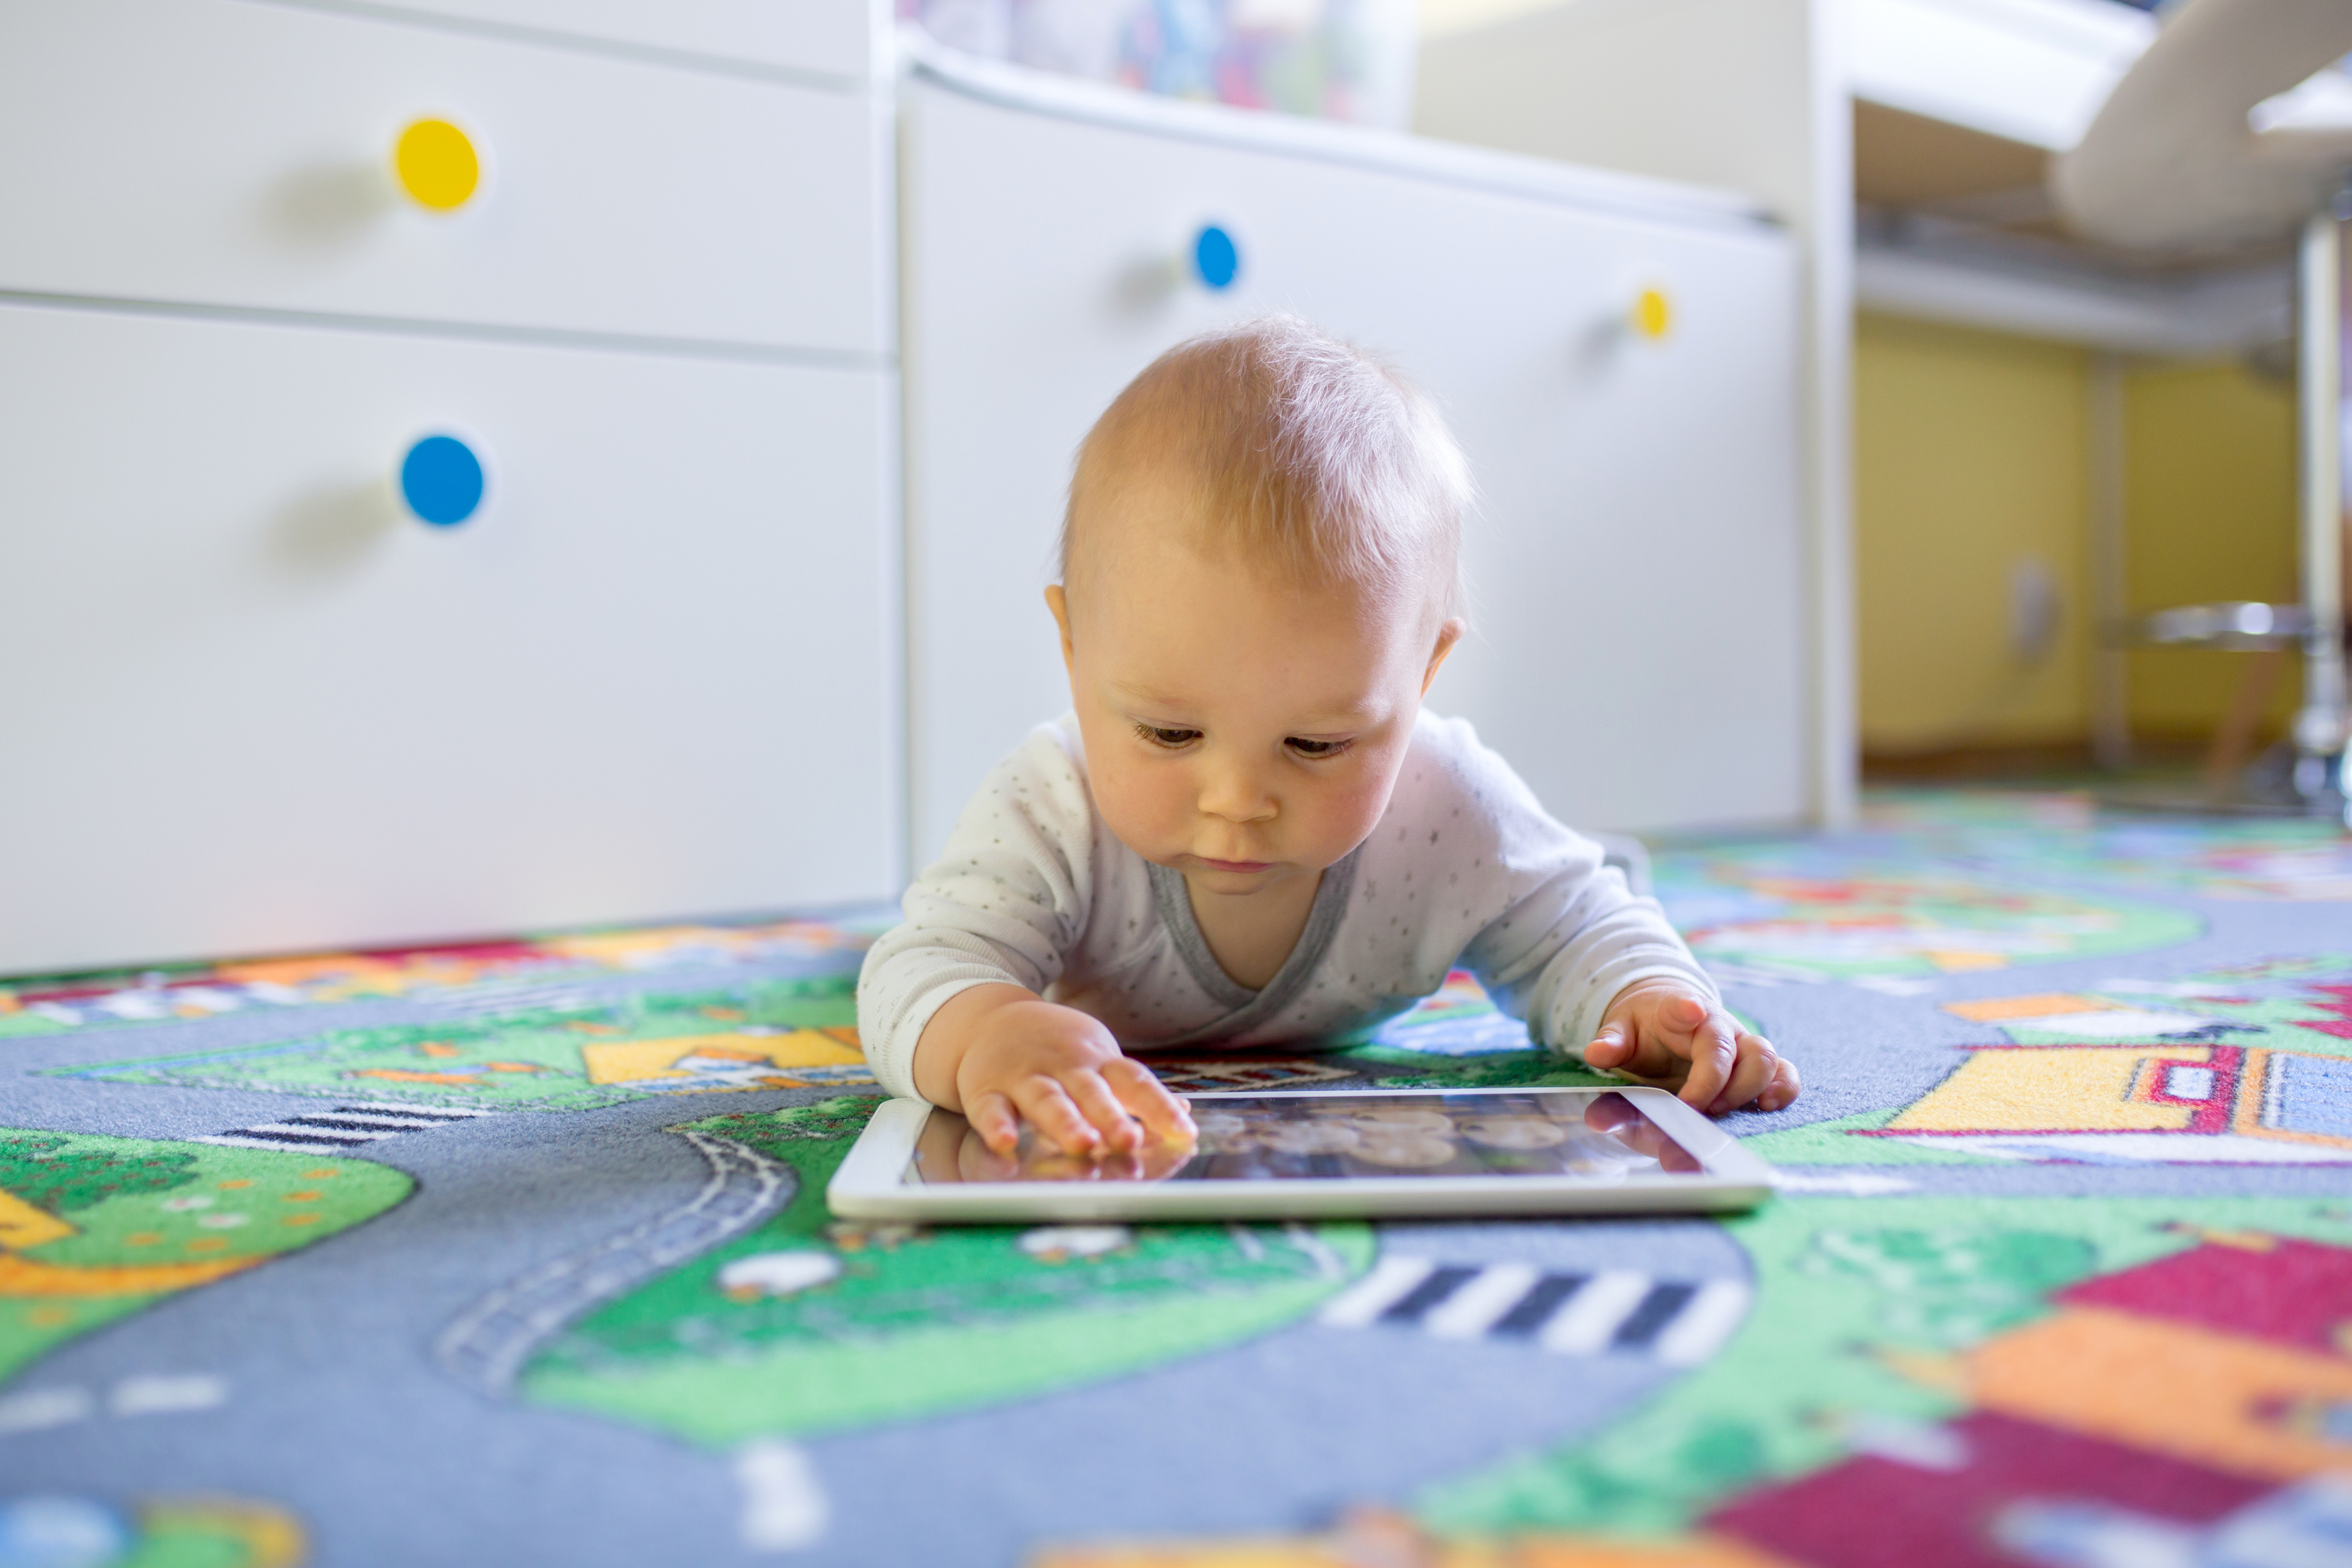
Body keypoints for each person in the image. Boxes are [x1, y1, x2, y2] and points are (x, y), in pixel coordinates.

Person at [859, 317, 1800, 1157]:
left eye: (1315, 746)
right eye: (1169, 731)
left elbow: (1576, 926)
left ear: (1421, 677)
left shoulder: (1450, 802)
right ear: (1072, 647)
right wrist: (985, 1028)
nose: (1236, 799)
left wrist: (1648, 1005)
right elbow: (923, 965)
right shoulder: (1050, 804)